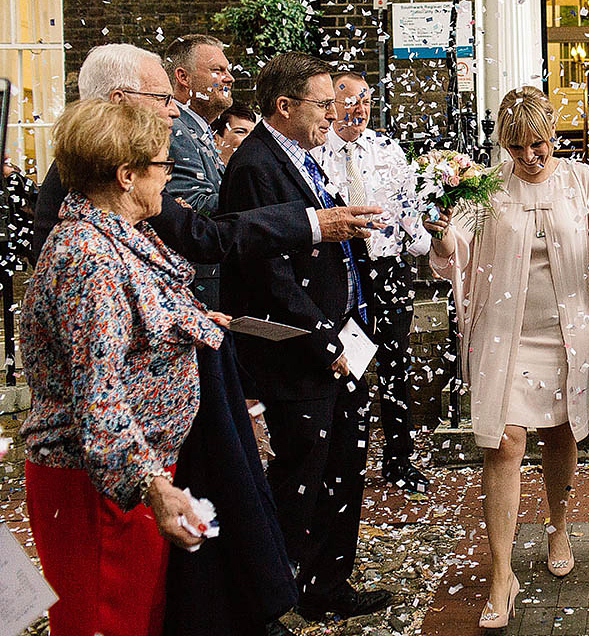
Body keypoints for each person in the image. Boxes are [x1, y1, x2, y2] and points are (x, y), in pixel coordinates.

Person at [423, 86, 589, 629]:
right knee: (504, 442)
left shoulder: (580, 182)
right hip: (507, 334)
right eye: (518, 147)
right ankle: (502, 572)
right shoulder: (486, 187)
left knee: (561, 433)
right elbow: (457, 250)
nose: (530, 157)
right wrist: (442, 238)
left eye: (539, 144)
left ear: (553, 137)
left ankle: (559, 524)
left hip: (568, 333)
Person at [20, 99, 224, 636]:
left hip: (131, 475)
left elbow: (136, 314)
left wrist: (190, 316)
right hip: (101, 485)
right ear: (126, 175)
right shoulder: (89, 258)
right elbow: (99, 394)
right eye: (163, 167)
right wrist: (154, 488)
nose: (170, 179)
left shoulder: (117, 235)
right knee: (106, 624)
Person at [218, 52, 391, 621]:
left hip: (340, 337)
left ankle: (328, 588)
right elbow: (268, 273)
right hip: (302, 353)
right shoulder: (256, 166)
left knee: (342, 469)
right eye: (323, 103)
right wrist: (325, 342)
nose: (334, 112)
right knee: (300, 480)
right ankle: (268, 603)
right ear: (284, 107)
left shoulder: (306, 158)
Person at [31, 44, 379, 268]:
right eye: (162, 99)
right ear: (119, 100)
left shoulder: (103, 168)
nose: (173, 112)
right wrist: (313, 223)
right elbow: (202, 237)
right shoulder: (96, 181)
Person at [314, 70, 431, 492]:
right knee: (349, 366)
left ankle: (400, 463)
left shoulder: (388, 149)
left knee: (397, 364)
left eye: (366, 100)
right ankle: (348, 461)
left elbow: (408, 210)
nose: (359, 108)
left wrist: (426, 241)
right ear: (332, 105)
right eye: (350, 101)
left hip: (390, 268)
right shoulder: (318, 155)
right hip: (347, 272)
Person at [164, 34, 236, 308]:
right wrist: (261, 193)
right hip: (199, 287)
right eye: (218, 71)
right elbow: (193, 206)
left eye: (227, 70)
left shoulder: (198, 129)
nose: (228, 78)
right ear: (183, 77)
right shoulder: (176, 129)